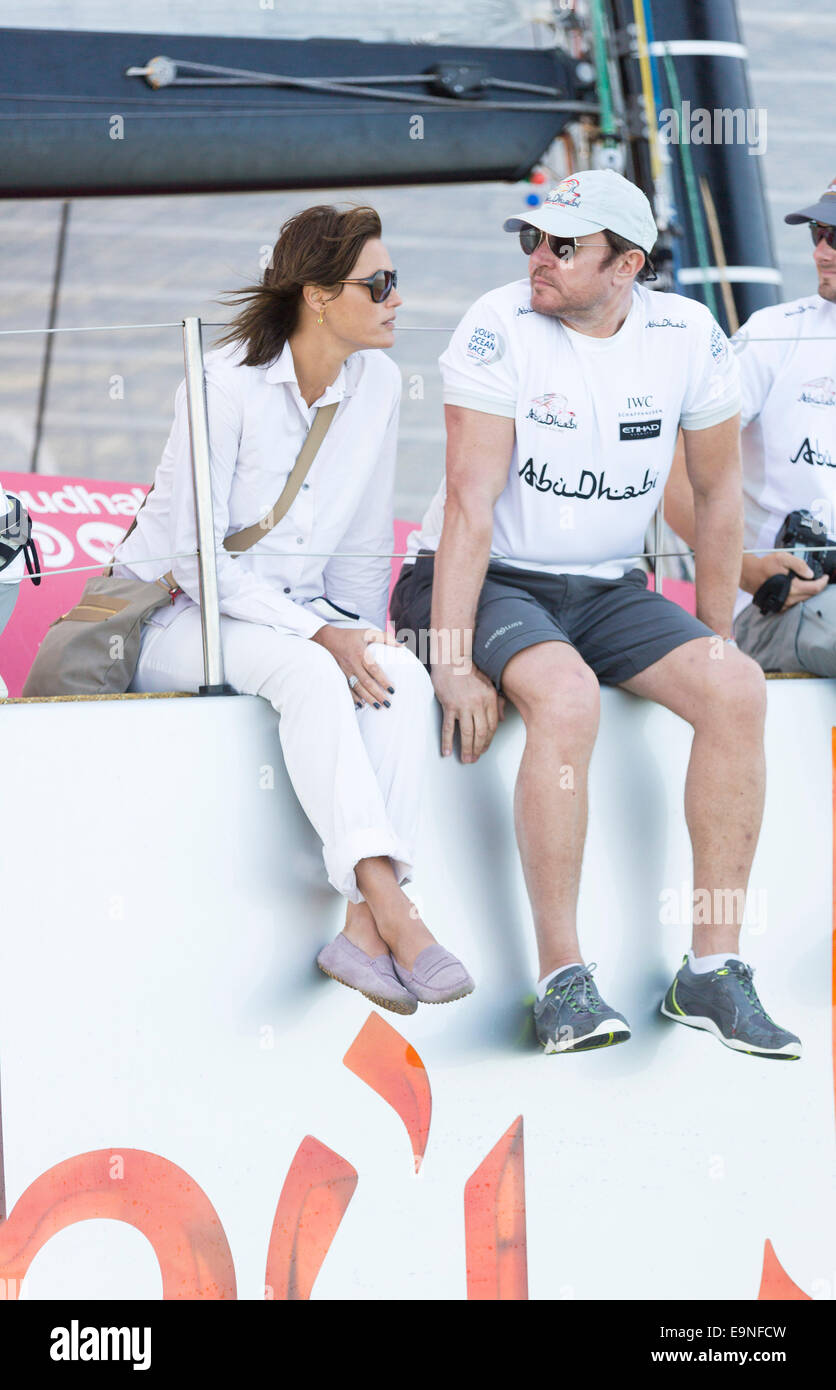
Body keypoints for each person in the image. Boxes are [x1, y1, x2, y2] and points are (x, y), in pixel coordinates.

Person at [390, 169, 801, 1058]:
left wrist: (715, 633)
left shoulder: (689, 334)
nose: (538, 258)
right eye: (531, 239)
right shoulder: (500, 324)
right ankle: (563, 982)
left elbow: (718, 490)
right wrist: (453, 659)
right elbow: (467, 505)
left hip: (608, 587)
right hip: (477, 576)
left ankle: (712, 970)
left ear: (627, 266)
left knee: (735, 690)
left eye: (563, 246)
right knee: (568, 699)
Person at [112, 204, 473, 1014]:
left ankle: (357, 934)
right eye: (377, 283)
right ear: (316, 294)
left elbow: (363, 533)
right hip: (177, 617)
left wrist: (352, 630)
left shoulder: (375, 382)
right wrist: (321, 634)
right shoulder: (223, 379)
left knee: (402, 678)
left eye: (395, 282)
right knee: (315, 671)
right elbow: (196, 562)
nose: (396, 299)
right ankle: (394, 911)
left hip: (291, 614)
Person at [666, 177, 836, 674]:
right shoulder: (775, 335)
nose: (821, 253)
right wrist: (744, 568)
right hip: (783, 606)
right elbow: (673, 466)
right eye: (818, 234)